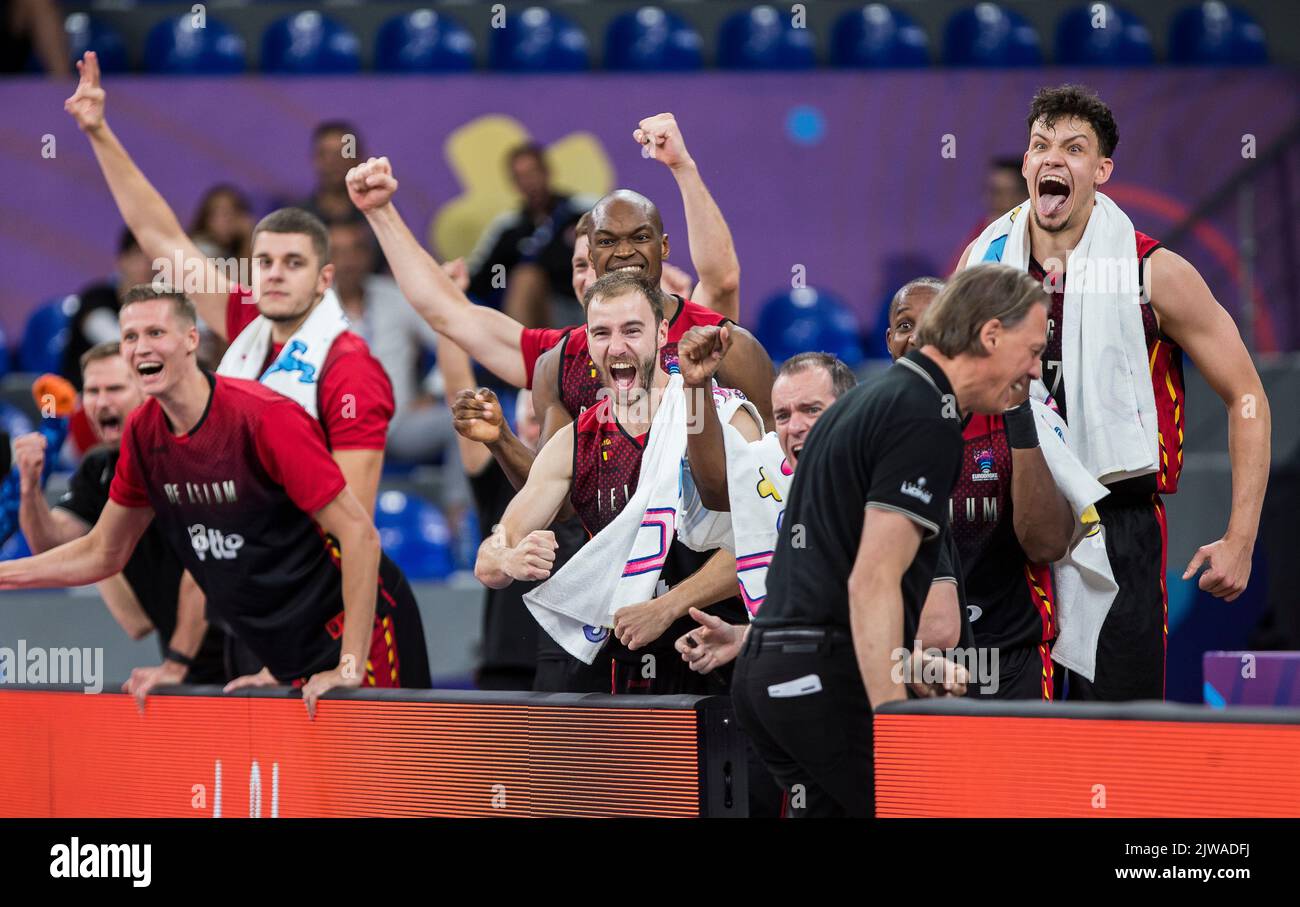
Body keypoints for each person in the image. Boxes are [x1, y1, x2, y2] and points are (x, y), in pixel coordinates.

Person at [956, 84, 1272, 701]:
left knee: (1118, 734)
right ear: (1025, 163)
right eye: (1040, 145)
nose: (1052, 159)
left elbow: (1248, 397)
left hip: (1117, 518)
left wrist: (1241, 536)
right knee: (1012, 737)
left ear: (1101, 171)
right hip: (1007, 524)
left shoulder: (1153, 271)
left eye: (1074, 149)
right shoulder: (981, 264)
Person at [0, 288, 430, 713]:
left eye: (155, 332)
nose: (141, 347)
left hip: (360, 634)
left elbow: (360, 536)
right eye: (130, 336)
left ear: (191, 340)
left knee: (392, 779)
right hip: (285, 652)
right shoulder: (143, 433)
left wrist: (350, 663)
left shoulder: (262, 418)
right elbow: (103, 551)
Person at [732, 264, 1048, 818]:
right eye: (1033, 348)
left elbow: (830, 574)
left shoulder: (874, 400)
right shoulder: (924, 416)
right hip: (820, 680)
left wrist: (908, 666)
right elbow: (872, 579)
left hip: (776, 676)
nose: (1035, 367)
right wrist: (893, 719)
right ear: (992, 336)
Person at [66, 52, 395, 519]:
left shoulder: (350, 370)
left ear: (324, 279)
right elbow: (161, 236)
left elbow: (353, 525)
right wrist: (98, 132)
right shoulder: (244, 316)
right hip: (243, 550)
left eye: (293, 262)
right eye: (264, 261)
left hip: (306, 566)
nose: (275, 273)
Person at [347, 111, 761, 433]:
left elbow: (722, 280)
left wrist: (682, 166)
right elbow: (448, 313)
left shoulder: (701, 333)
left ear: (664, 248)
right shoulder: (563, 356)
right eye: (602, 245)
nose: (623, 252)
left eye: (639, 237)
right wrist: (380, 212)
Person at [474, 272, 759, 695]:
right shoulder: (573, 441)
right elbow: (492, 555)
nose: (617, 346)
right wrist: (507, 560)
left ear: (662, 332)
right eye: (602, 333)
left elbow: (757, 540)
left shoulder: (721, 415)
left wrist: (667, 606)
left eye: (632, 330)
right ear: (587, 340)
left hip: (714, 652)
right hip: (617, 663)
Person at [886, 277, 1075, 699]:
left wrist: (1019, 417)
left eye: (931, 322)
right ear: (888, 341)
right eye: (903, 325)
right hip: (913, 662)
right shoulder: (876, 428)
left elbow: (1046, 545)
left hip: (1009, 658)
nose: (915, 336)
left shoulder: (1020, 414)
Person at [13, 341, 228, 694]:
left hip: (247, 656)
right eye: (92, 391)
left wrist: (177, 663)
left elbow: (201, 577)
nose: (101, 401)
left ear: (148, 391)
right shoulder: (100, 468)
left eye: (114, 388)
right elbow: (50, 544)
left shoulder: (193, 456)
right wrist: (30, 487)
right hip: (185, 667)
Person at [439, 336, 591, 692]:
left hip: (571, 656)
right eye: (530, 411)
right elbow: (461, 400)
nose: (537, 419)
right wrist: (447, 323)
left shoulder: (593, 470)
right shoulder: (494, 466)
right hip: (505, 662)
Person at [466, 142, 595, 327]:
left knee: (527, 277)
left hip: (580, 302)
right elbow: (488, 277)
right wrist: (501, 278)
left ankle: (516, 352)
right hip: (533, 310)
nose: (528, 182)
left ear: (547, 172)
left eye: (532, 173)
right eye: (520, 177)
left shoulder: (584, 211)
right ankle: (519, 350)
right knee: (524, 277)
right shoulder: (508, 228)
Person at [60, 228, 154, 389]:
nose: (147, 265)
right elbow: (114, 341)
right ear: (121, 260)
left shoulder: (162, 306)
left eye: (153, 258)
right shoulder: (96, 298)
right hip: (84, 396)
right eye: (139, 255)